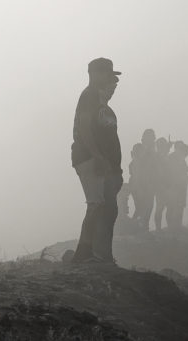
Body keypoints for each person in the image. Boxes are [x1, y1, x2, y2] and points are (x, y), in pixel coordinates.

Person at [70, 57, 123, 264]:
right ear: (96, 74)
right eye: (109, 74)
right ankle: (86, 254)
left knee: (106, 206)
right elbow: (84, 128)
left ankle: (99, 255)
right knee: (97, 205)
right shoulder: (89, 95)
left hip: (101, 162)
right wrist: (98, 156)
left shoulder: (99, 100)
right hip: (89, 158)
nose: (112, 80)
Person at [131, 129, 157, 230]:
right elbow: (137, 164)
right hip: (140, 184)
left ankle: (143, 228)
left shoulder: (151, 150)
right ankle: (134, 228)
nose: (154, 139)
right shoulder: (140, 147)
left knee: (148, 207)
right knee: (141, 208)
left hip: (149, 184)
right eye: (152, 137)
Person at [166, 141, 188, 230]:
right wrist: (186, 169)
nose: (185, 156)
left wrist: (186, 169)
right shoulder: (172, 158)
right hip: (174, 188)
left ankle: (177, 226)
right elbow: (173, 172)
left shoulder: (179, 159)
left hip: (180, 188)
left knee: (179, 206)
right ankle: (172, 227)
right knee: (172, 207)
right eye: (185, 154)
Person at [153, 137, 172, 231]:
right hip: (161, 186)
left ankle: (164, 228)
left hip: (166, 185)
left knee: (166, 206)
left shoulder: (162, 155)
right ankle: (158, 228)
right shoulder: (158, 157)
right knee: (160, 207)